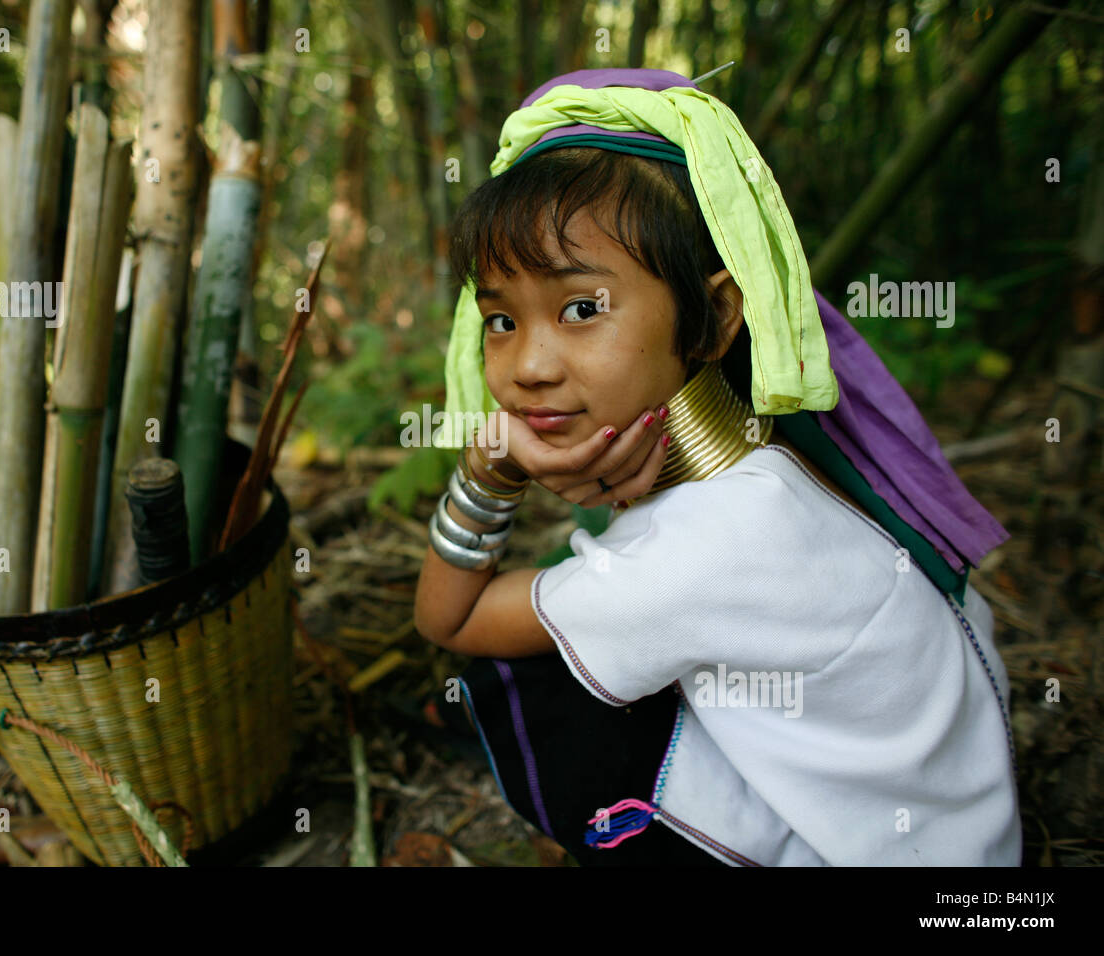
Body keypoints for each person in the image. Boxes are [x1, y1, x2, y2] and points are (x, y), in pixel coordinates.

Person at [413, 68, 1021, 867]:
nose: (527, 364)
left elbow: (447, 620)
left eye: (581, 308)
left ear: (717, 316)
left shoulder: (703, 549)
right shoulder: (783, 464)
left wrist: (490, 472)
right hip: (957, 827)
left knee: (531, 685)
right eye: (500, 317)